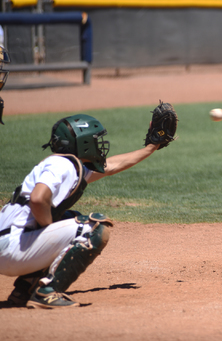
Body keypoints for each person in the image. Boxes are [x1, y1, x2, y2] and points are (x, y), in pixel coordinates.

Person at [0, 114, 162, 308]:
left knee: (71, 218)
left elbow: (111, 166)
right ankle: (47, 292)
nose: (100, 144)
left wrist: (151, 147)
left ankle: (24, 290)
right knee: (94, 227)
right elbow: (38, 198)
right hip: (12, 250)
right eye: (96, 139)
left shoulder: (68, 164)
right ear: (83, 142)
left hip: (11, 245)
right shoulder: (62, 165)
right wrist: (47, 227)